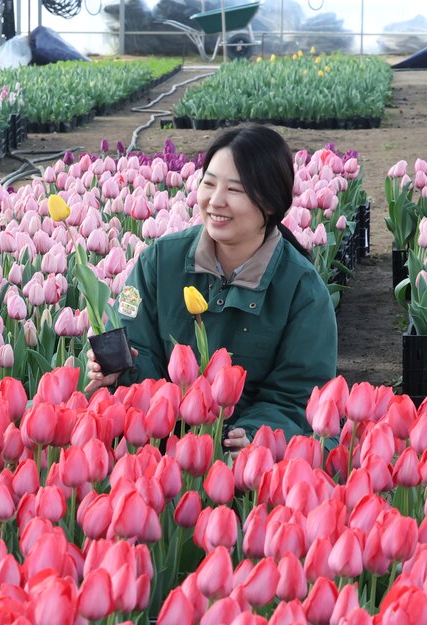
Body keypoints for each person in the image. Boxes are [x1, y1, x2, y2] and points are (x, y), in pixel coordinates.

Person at [85, 124, 337, 449]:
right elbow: (135, 343)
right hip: (158, 447)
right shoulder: (161, 261)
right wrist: (119, 372)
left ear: (272, 203)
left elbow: (300, 392)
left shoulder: (302, 290)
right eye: (209, 184)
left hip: (247, 464)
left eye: (235, 190)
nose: (216, 201)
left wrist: (253, 435)